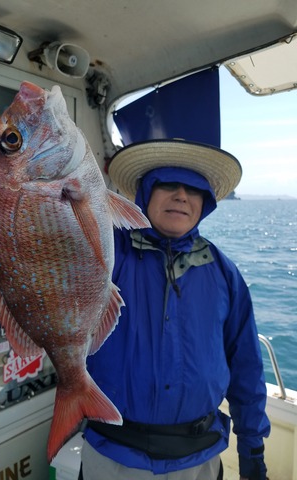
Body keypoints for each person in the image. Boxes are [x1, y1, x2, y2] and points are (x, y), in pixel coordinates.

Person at [80, 139, 270, 480]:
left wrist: (252, 448)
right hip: (113, 455)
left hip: (200, 457)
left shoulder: (225, 273)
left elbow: (247, 369)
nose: (182, 195)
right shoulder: (106, 251)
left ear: (205, 203)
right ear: (145, 192)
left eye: (194, 189)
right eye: (168, 183)